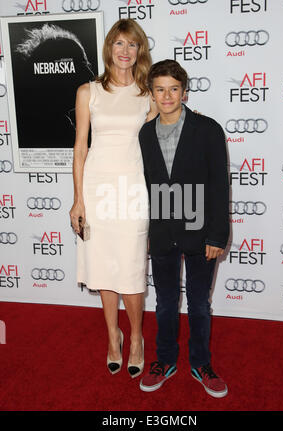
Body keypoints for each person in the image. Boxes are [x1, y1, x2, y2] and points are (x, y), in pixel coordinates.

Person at [69, 19, 156, 378]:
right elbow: (79, 148)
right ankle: (112, 337)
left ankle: (136, 338)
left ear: (140, 51)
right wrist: (78, 200)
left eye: (131, 45)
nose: (124, 51)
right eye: (118, 44)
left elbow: (159, 143)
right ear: (109, 49)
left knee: (132, 268)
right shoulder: (88, 92)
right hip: (97, 189)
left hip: (133, 189)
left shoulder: (147, 93)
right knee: (104, 267)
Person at [138, 60, 229, 397]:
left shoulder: (208, 129)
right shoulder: (145, 134)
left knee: (199, 304)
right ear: (151, 93)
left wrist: (218, 235)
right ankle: (165, 360)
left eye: (173, 89)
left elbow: (220, 185)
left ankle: (201, 363)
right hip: (162, 232)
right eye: (159, 89)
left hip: (201, 231)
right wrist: (147, 231)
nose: (166, 95)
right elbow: (146, 186)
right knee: (164, 303)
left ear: (184, 92)